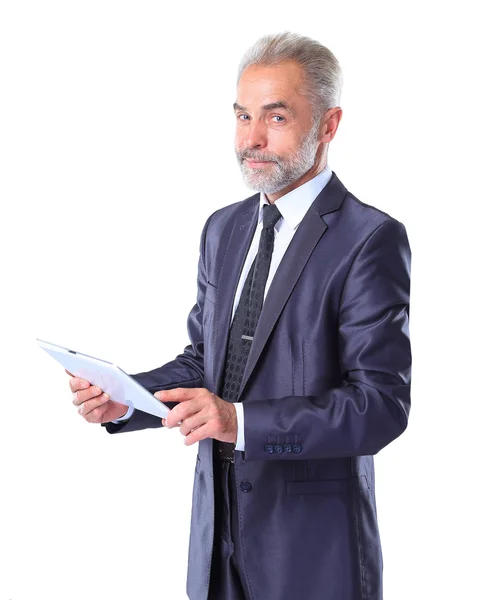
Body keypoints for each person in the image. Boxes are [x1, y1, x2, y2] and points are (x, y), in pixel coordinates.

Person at [68, 31, 411, 600]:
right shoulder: (223, 228)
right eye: (242, 115)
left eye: (276, 118)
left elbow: (380, 406)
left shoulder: (369, 239)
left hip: (310, 555)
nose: (251, 139)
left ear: (328, 125)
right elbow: (207, 363)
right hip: (215, 544)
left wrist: (243, 423)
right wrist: (126, 397)